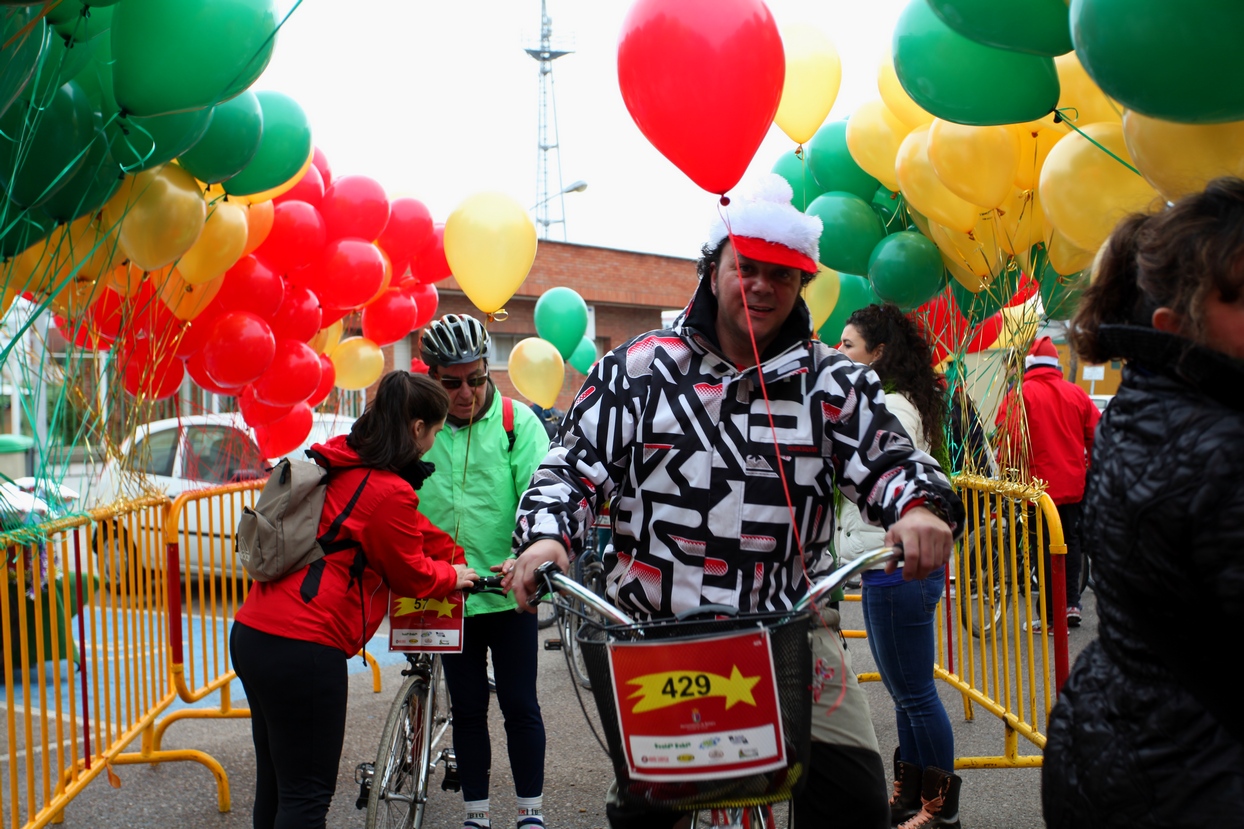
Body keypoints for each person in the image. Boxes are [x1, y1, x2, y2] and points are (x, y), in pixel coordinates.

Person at [506, 175, 963, 829]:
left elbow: (892, 462)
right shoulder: (638, 370)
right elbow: (569, 470)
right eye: (746, 268)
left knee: (856, 803)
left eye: (782, 274)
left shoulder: (830, 381)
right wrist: (548, 537)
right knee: (646, 813)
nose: (761, 286)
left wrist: (918, 507)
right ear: (712, 267)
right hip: (660, 640)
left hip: (791, 636)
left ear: (801, 284)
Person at [1043, 178, 1244, 827]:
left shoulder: (1146, 404)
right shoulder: (1219, 443)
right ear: (1173, 324)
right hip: (1191, 773)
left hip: (1120, 741)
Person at [231, 371, 478, 829]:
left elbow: (411, 535)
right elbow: (411, 574)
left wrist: (457, 559)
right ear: (418, 428)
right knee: (306, 798)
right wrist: (452, 576)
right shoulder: (388, 491)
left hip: (254, 633)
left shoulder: (345, 464)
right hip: (303, 647)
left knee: (278, 786)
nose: (435, 441)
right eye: (437, 430)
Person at [418, 313, 552, 829]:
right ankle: (476, 815)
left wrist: (526, 554)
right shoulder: (418, 427)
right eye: (452, 383)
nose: (466, 392)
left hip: (507, 590)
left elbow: (539, 499)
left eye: (477, 379)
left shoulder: (518, 424)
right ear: (432, 378)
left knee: (520, 705)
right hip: (446, 591)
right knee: (468, 710)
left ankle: (530, 814)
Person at [835, 304, 961, 829]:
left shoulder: (890, 409)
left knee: (914, 692)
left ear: (878, 353)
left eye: (847, 345)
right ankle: (911, 796)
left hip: (896, 564)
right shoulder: (893, 401)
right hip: (892, 564)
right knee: (907, 692)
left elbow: (897, 484)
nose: (838, 354)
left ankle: (940, 810)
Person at [994, 335, 1099, 630]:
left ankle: (1052, 617)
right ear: (1056, 365)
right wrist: (1089, 466)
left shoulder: (1020, 395)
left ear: (1028, 365)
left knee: (1044, 548)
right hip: (1073, 486)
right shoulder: (1076, 393)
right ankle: (1071, 605)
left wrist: (1007, 472)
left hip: (1037, 488)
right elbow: (1099, 434)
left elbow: (1008, 439)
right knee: (1069, 542)